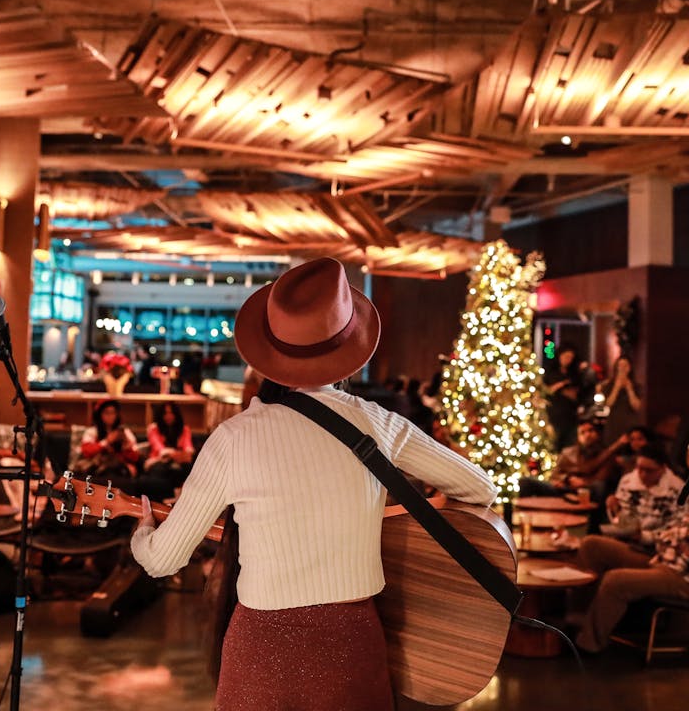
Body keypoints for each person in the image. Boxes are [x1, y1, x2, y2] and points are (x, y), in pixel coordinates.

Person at [129, 257, 496, 710]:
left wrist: (144, 534)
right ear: (348, 345)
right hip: (352, 642)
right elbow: (480, 488)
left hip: (261, 649)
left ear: (267, 350)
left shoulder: (235, 437)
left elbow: (164, 561)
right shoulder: (377, 424)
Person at [575, 449, 689, 652]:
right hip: (663, 559)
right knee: (592, 545)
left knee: (614, 580)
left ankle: (586, 645)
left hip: (688, 580)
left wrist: (678, 538)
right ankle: (579, 620)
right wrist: (677, 542)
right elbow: (674, 531)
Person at [604, 441, 684, 544]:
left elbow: (677, 528)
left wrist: (644, 537)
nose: (643, 475)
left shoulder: (676, 489)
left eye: (649, 471)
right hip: (624, 538)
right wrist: (614, 508)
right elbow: (619, 518)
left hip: (656, 545)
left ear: (663, 468)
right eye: (640, 468)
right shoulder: (627, 481)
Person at [597, 355, 642, 444]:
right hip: (614, 423)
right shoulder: (608, 385)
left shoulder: (636, 386)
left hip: (630, 423)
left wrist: (629, 389)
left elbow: (637, 407)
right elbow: (608, 404)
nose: (622, 368)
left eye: (625, 366)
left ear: (630, 368)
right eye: (620, 365)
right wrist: (617, 387)